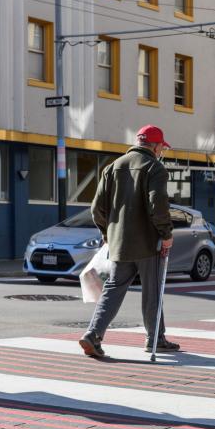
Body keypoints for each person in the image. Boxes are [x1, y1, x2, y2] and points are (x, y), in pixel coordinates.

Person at [80, 125, 180, 358]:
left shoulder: (112, 167)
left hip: (119, 244)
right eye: (161, 147)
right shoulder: (154, 168)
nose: (161, 151)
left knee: (113, 288)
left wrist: (108, 234)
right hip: (148, 243)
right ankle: (155, 339)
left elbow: (96, 209)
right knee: (152, 291)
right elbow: (158, 205)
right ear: (155, 146)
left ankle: (93, 334)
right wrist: (166, 235)